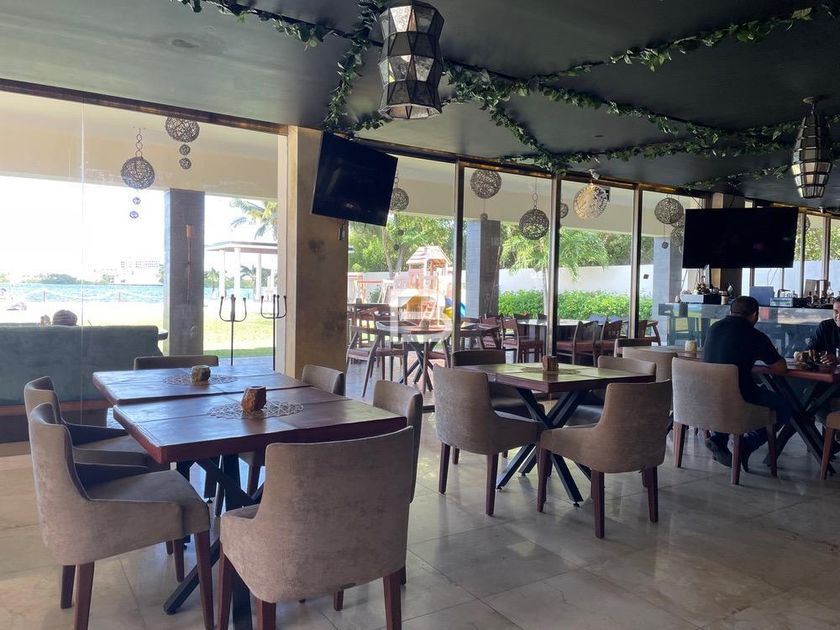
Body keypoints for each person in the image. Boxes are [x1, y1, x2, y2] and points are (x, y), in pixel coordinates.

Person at [702, 295, 791, 470]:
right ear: (755, 315)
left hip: (709, 395)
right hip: (740, 397)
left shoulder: (714, 328)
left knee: (729, 394)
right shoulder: (754, 335)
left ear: (730, 311)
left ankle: (718, 439)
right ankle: (746, 445)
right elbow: (780, 368)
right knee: (785, 407)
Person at [806, 297, 840, 365]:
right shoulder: (825, 326)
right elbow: (810, 350)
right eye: (836, 312)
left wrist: (838, 360)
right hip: (828, 370)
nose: (838, 317)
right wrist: (802, 355)